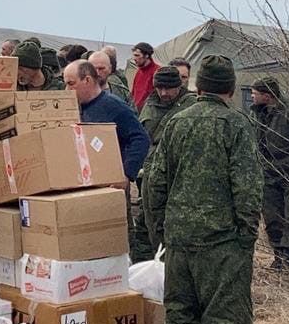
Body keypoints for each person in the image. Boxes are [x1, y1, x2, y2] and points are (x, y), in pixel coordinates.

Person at [144, 55, 265, 324]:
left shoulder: (176, 122)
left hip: (180, 237)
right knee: (224, 314)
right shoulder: (236, 125)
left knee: (181, 311)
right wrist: (247, 234)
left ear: (197, 86)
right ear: (230, 88)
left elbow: (155, 181)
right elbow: (247, 186)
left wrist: (160, 230)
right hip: (222, 239)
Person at [64, 60, 152, 260]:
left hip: (110, 187)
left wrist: (126, 173)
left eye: (71, 83)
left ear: (87, 80)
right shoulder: (72, 108)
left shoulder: (112, 106)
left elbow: (140, 138)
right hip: (83, 186)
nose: (66, 89)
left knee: (112, 244)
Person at [250, 77, 289, 272]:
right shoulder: (258, 114)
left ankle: (288, 258)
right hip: (268, 173)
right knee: (272, 218)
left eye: (255, 93)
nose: (251, 96)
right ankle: (278, 256)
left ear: (267, 97)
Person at [137, 66, 197, 261]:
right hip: (149, 172)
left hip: (176, 175)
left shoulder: (190, 106)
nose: (163, 93)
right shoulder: (151, 103)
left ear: (178, 86)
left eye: (168, 89)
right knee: (149, 222)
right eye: (159, 88)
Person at [130, 42, 161, 111]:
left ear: (146, 55)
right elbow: (133, 94)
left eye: (137, 55)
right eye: (134, 55)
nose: (134, 58)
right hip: (135, 113)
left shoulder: (157, 72)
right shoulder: (138, 72)